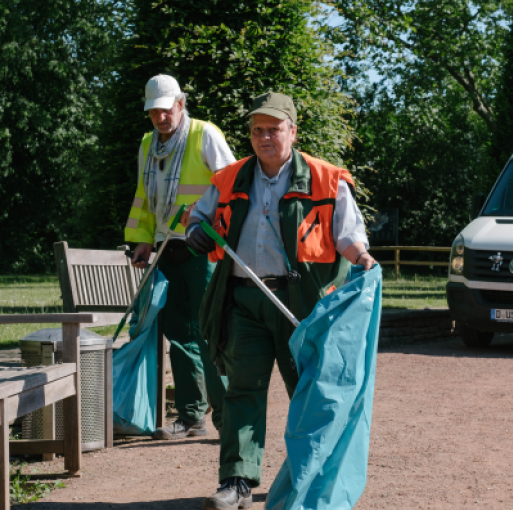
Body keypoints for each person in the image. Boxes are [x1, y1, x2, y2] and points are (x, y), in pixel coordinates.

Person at [185, 92, 376, 510]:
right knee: (242, 390)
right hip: (244, 301)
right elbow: (197, 216)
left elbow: (349, 235)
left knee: (309, 394)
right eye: (257, 130)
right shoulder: (228, 177)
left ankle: (313, 476)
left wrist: (363, 259)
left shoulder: (327, 179)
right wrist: (194, 230)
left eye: (273, 129)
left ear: (293, 130)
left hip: (302, 306)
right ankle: (236, 482)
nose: (264, 137)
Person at [124, 74, 235, 440]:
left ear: (180, 104)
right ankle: (190, 417)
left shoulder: (205, 134)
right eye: (153, 111)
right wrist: (142, 239)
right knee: (177, 332)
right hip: (165, 248)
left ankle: (227, 418)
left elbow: (231, 185)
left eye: (165, 109)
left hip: (202, 248)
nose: (160, 117)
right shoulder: (147, 144)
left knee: (209, 332)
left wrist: (202, 213)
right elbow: (144, 195)